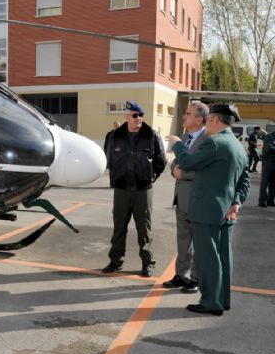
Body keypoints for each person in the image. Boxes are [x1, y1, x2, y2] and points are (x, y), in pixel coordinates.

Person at [167, 104, 250, 316]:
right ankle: (222, 299)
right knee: (223, 258)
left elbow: (188, 162)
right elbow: (244, 181)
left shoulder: (215, 142)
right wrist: (237, 202)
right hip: (226, 212)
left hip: (206, 212)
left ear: (213, 120)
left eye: (209, 121)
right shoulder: (238, 145)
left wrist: (177, 145)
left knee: (207, 260)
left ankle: (210, 302)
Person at [102, 101, 167, 277]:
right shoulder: (116, 136)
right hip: (122, 189)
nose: (139, 119)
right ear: (126, 116)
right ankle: (115, 261)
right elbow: (108, 159)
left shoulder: (150, 135)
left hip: (142, 190)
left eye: (141, 115)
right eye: (135, 115)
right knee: (119, 228)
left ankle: (147, 263)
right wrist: (115, 177)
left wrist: (150, 177)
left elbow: (161, 161)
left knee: (144, 228)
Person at [163, 102, 208, 294]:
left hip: (198, 199)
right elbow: (175, 161)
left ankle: (196, 279)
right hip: (181, 199)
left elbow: (206, 171)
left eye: (188, 114)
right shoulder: (184, 136)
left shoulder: (208, 139)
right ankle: (182, 275)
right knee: (183, 240)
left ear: (199, 119)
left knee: (198, 242)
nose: (183, 117)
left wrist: (183, 174)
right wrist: (174, 170)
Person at [258, 130, 275, 207]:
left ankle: (270, 200)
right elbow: (268, 148)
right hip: (268, 162)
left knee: (273, 183)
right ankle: (262, 201)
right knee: (265, 182)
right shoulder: (269, 137)